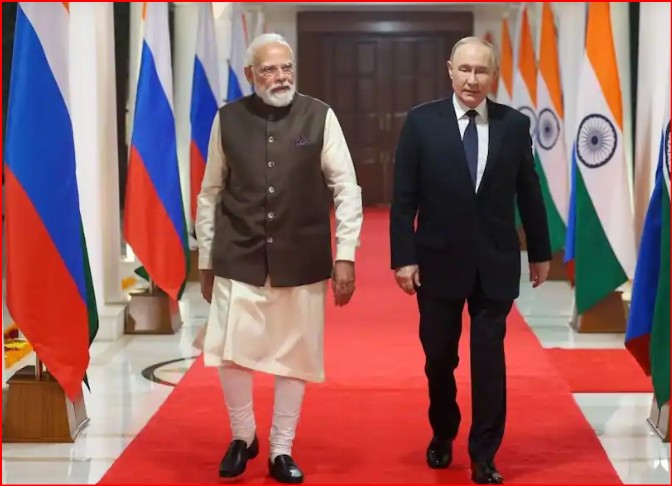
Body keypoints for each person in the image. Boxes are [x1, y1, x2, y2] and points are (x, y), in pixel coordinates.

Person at [195, 33, 363, 484]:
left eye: (286, 67)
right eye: (269, 69)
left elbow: (346, 188)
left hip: (302, 257)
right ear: (250, 74)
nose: (280, 76)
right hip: (237, 252)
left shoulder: (320, 116)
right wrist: (206, 258)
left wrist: (346, 254)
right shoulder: (227, 119)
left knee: (295, 357)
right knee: (230, 352)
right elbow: (210, 192)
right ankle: (242, 436)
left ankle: (281, 448)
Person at [389, 37, 552, 484]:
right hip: (437, 261)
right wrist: (403, 258)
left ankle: (484, 453)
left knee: (489, 362)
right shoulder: (422, 122)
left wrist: (540, 252)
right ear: (450, 70)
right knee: (439, 358)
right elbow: (403, 198)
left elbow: (529, 191)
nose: (472, 79)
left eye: (481, 71)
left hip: (494, 262)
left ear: (493, 75)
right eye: (464, 69)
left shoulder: (513, 125)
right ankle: (443, 431)